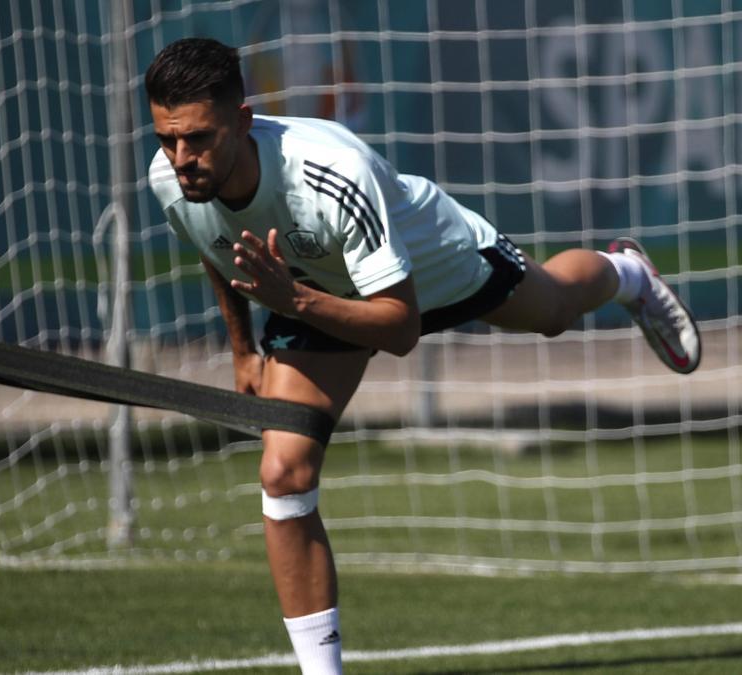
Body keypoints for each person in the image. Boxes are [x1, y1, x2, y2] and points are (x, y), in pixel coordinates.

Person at [144, 37, 701, 674]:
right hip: (312, 290)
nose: (182, 158)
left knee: (551, 311)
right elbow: (217, 245)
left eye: (199, 139)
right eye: (168, 139)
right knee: (284, 474)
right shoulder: (171, 178)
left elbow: (400, 328)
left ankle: (626, 273)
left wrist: (291, 301)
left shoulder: (330, 173)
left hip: (428, 266)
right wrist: (244, 350)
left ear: (242, 120)